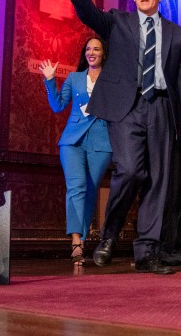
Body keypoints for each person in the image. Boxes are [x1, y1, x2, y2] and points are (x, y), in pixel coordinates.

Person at [59, 0, 181, 275]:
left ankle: (147, 251)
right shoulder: (117, 22)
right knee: (132, 171)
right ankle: (109, 235)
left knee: (158, 180)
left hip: (162, 107)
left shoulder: (177, 34)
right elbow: (87, 13)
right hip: (127, 107)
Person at [41, 37, 112, 266]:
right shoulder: (74, 78)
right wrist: (51, 80)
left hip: (101, 144)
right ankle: (76, 242)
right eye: (88, 49)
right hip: (72, 142)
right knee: (77, 186)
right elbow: (57, 105)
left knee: (89, 191)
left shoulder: (112, 79)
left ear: (103, 53)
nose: (92, 52)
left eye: (96, 49)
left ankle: (81, 237)